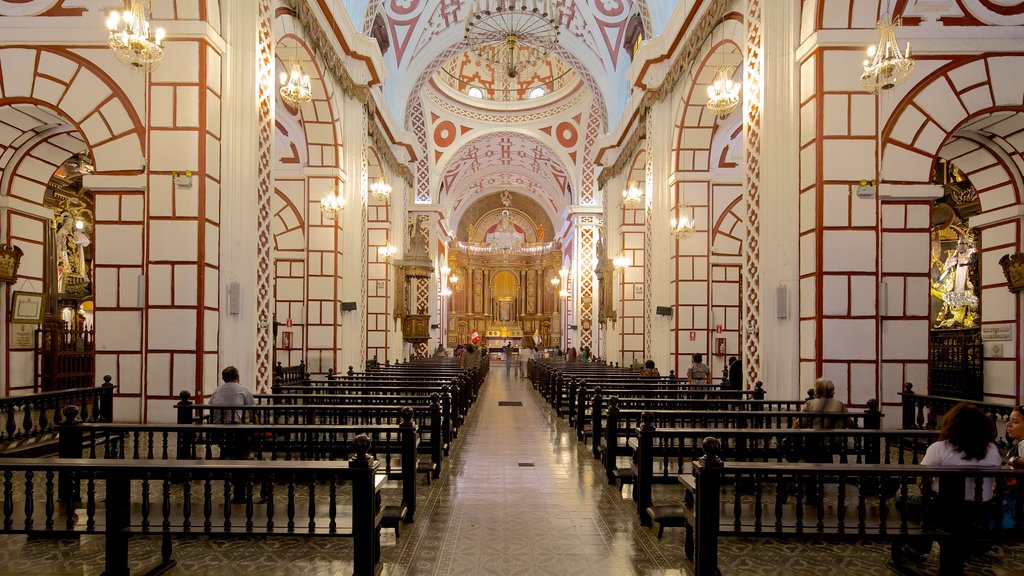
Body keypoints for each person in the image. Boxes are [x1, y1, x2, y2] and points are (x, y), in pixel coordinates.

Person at [899, 402, 1003, 558]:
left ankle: (921, 543)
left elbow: (922, 480)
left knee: (901, 497)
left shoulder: (939, 448)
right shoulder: (992, 449)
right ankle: (970, 543)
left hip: (943, 509)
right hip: (980, 509)